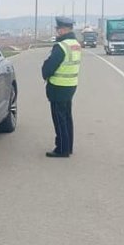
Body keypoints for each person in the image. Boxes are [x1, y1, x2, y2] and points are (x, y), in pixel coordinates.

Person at [41, 16, 82, 158]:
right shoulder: (75, 44)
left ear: (64, 29)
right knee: (67, 117)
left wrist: (44, 71)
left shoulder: (61, 46)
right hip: (70, 85)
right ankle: (68, 146)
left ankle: (61, 149)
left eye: (58, 29)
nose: (57, 31)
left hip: (58, 86)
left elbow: (50, 67)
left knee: (59, 119)